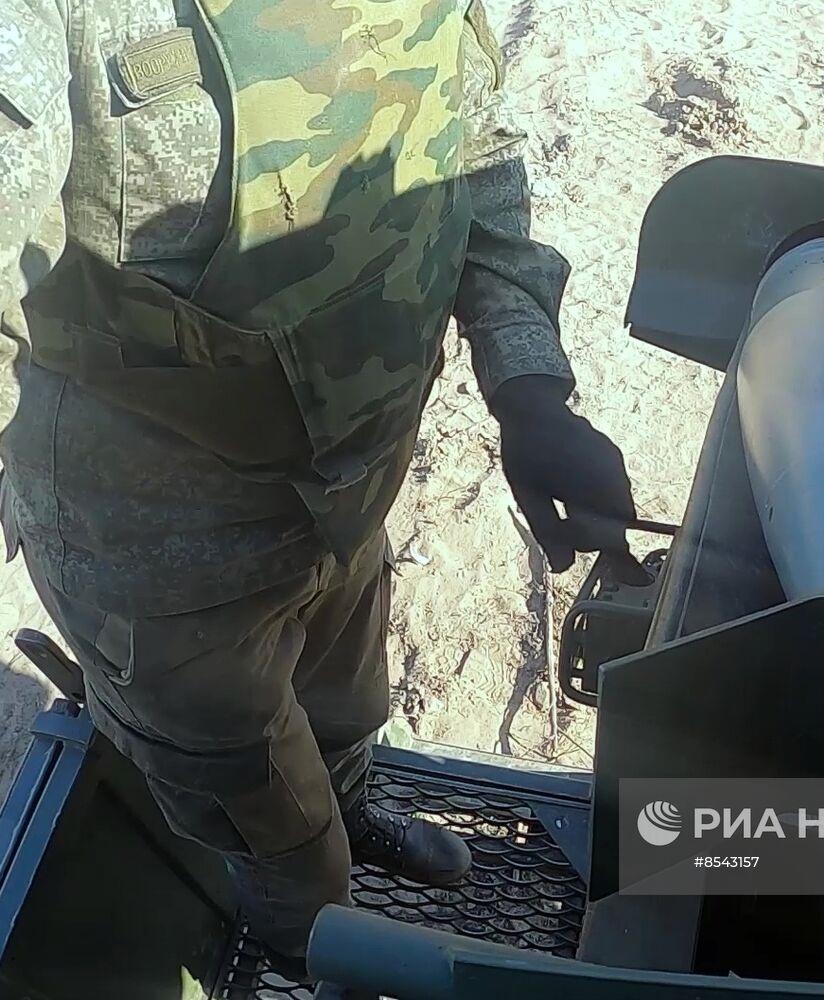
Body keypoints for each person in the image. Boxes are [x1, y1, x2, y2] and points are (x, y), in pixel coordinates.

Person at [0, 0, 643, 978]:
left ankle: (345, 813)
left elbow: (468, 150)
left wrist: (526, 384)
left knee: (343, 705)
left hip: (349, 485)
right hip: (160, 553)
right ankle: (305, 938)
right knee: (251, 798)